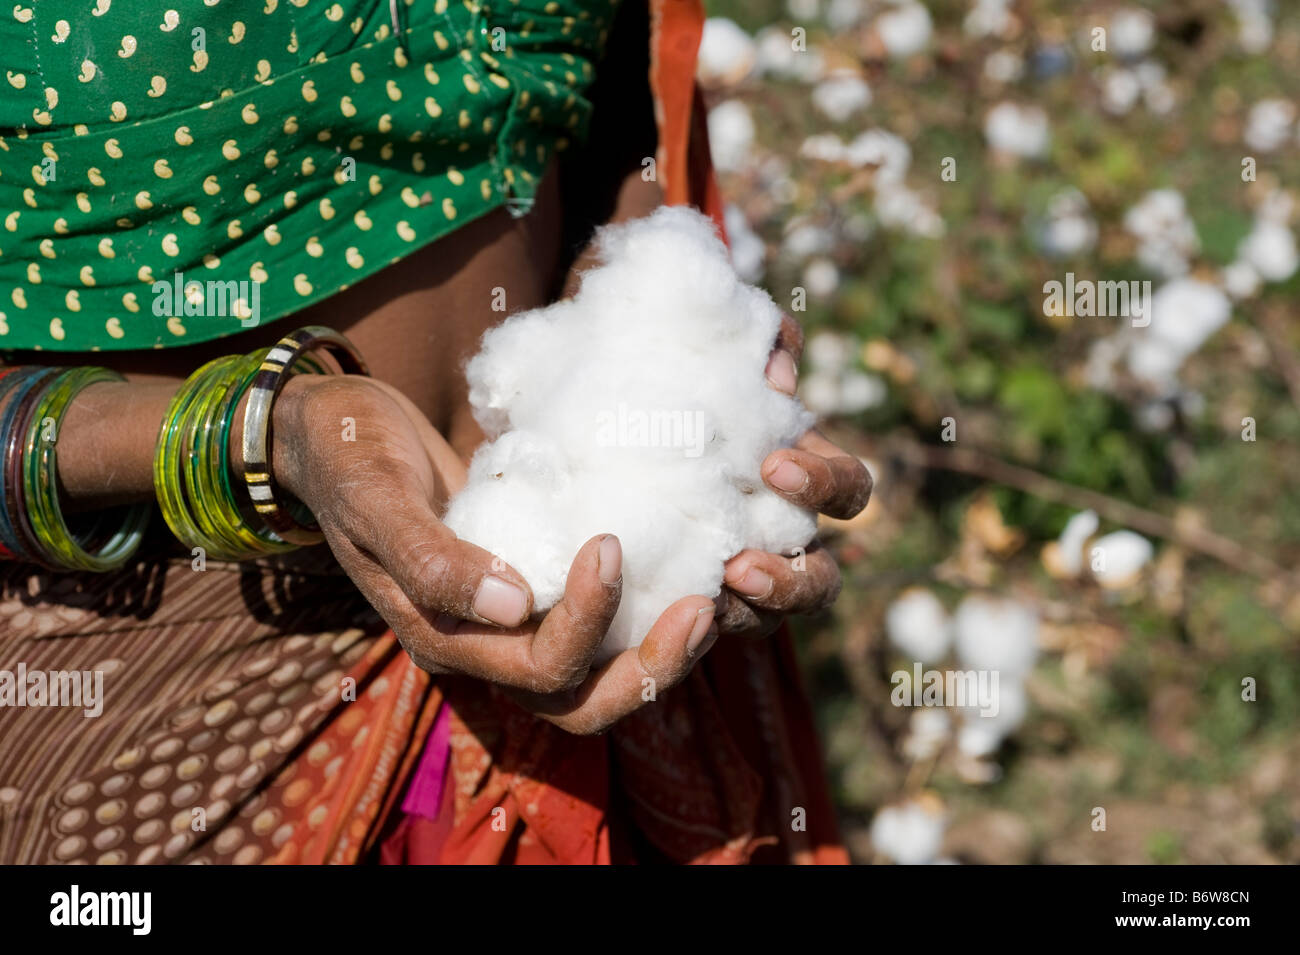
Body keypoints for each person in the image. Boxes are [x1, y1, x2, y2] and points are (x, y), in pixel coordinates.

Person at [0, 0, 869, 864]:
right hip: (186, 699)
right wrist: (263, 434)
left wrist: (645, 311)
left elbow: (616, 85)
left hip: (602, 620)